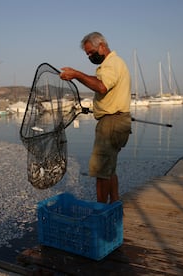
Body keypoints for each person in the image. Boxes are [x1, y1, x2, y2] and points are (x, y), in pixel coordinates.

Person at [60, 32, 131, 204]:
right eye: (88, 55)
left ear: (102, 46)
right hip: (117, 121)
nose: (90, 56)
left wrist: (77, 74)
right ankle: (114, 205)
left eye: (91, 52)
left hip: (111, 123)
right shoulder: (112, 64)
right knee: (109, 168)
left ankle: (101, 211)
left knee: (100, 170)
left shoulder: (112, 63)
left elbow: (101, 86)